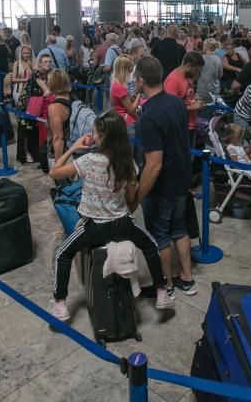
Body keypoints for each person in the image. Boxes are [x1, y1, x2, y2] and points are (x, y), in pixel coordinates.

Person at [48, 111, 174, 319]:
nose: (92, 135)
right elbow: (132, 197)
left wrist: (74, 147)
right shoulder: (128, 164)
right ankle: (162, 291)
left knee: (63, 253)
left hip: (94, 227)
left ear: (102, 137)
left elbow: (54, 172)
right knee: (151, 245)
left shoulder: (88, 160)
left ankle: (60, 303)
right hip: (122, 223)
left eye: (94, 132)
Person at [134, 57, 195, 296]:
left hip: (162, 185)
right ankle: (187, 279)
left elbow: (153, 165)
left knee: (159, 234)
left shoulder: (148, 117)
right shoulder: (177, 104)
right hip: (182, 177)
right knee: (179, 228)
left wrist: (139, 194)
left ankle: (166, 284)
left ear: (140, 81)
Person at [16, 53, 53, 169]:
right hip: (27, 105)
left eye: (49, 61)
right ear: (40, 63)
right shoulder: (37, 74)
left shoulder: (50, 74)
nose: (48, 64)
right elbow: (47, 91)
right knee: (26, 129)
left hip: (39, 106)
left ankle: (36, 153)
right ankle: (25, 154)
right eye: (45, 62)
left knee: (34, 130)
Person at [164, 51, 205, 146]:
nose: (197, 73)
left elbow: (187, 98)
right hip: (180, 128)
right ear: (188, 66)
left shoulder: (187, 77)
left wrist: (196, 103)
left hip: (190, 125)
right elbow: (169, 108)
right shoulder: (173, 80)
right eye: (196, 70)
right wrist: (192, 107)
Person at [45, 70, 73, 166]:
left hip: (64, 153)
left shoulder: (55, 107)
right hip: (74, 150)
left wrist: (58, 164)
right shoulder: (73, 97)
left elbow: (58, 138)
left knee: (62, 180)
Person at [110, 55, 139, 134]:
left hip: (122, 122)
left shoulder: (116, 84)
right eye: (130, 70)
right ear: (124, 70)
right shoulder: (119, 87)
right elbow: (131, 110)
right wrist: (139, 94)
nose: (131, 72)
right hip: (127, 124)